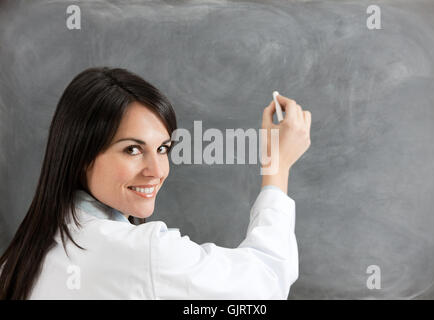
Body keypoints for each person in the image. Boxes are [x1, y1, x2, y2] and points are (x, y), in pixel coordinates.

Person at [0, 67, 311, 299]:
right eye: (132, 150)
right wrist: (277, 167)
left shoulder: (20, 259)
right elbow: (266, 282)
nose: (156, 170)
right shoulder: (141, 254)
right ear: (83, 155)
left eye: (162, 149)